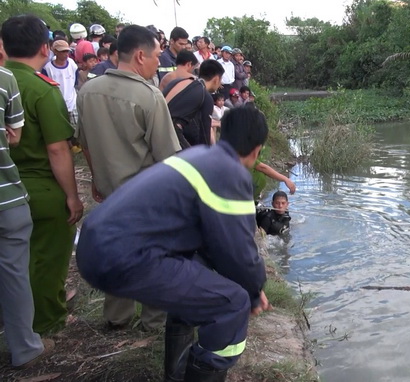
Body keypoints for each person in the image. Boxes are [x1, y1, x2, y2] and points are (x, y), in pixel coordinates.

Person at [77, 107, 272, 382]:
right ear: (256, 150)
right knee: (231, 305)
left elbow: (212, 243)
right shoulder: (231, 172)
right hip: (125, 256)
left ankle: (176, 375)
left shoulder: (199, 155)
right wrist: (254, 291)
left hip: (95, 243)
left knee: (199, 282)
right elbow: (237, 249)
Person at [76, 24, 180, 332]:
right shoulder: (149, 96)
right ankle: (153, 321)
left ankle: (117, 317)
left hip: (109, 192)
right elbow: (168, 157)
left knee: (116, 254)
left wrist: (97, 179)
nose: (158, 63)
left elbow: (84, 144)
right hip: (145, 195)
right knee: (155, 257)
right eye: (156, 57)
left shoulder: (88, 91)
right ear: (139, 56)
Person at [4, 15, 84, 335]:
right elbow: (57, 150)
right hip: (39, 189)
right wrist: (72, 196)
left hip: (5, 184)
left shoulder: (2, 82)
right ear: (45, 47)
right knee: (46, 260)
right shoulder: (41, 89)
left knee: (10, 262)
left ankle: (14, 321)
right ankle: (47, 323)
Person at [0, 45, 55, 368]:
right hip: (6, 193)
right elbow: (16, 136)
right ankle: (25, 346)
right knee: (14, 270)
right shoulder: (8, 80)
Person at [164, 59, 224, 148]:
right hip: (172, 134)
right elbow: (204, 133)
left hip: (156, 127)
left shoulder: (177, 82)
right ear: (216, 79)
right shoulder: (205, 96)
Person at [42, 39, 78, 126]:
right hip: (56, 105)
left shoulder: (72, 64)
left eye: (67, 51)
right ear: (55, 52)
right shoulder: (48, 68)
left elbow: (75, 82)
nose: (66, 54)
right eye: (63, 51)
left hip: (72, 103)